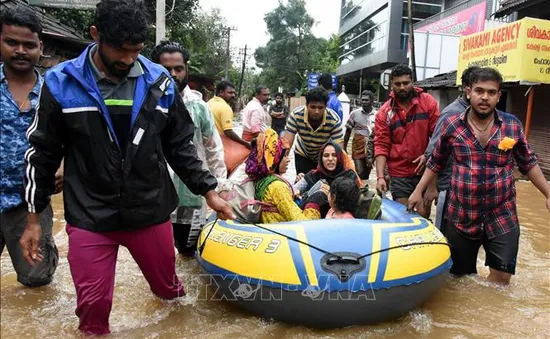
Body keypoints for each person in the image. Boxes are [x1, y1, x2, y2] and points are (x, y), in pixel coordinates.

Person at [19, 0, 235, 335]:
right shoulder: (60, 82)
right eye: (120, 50)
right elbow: (42, 152)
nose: (129, 59)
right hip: (90, 214)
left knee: (170, 295)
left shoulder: (159, 82)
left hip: (149, 210)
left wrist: (209, 191)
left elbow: (180, 146)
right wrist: (33, 219)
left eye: (136, 50)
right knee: (92, 310)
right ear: (95, 35)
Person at [408, 67, 550, 286]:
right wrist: (419, 191)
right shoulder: (451, 124)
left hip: (502, 215)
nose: (485, 97)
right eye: (479, 91)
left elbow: (528, 162)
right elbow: (436, 161)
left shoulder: (512, 125)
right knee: (459, 280)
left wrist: (547, 193)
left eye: (491, 92)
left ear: (499, 96)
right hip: (462, 215)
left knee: (502, 279)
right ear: (468, 92)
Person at [0, 6, 60, 287]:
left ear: (41, 48)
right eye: (12, 42)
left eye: (29, 45)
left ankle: (49, 250)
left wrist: (65, 163)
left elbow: (75, 136)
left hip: (31, 201)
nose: (20, 50)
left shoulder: (55, 91)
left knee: (37, 280)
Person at [151, 40, 227, 256]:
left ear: (187, 70)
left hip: (192, 194)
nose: (172, 74)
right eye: (165, 69)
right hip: (155, 195)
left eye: (178, 68)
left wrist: (219, 187)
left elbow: (213, 150)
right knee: (159, 254)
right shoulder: (144, 105)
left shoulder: (199, 107)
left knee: (188, 252)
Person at [374, 64, 439, 218]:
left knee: (422, 215)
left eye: (406, 83)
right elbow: (381, 145)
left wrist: (427, 156)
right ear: (391, 85)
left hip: (424, 170)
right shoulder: (385, 112)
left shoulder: (428, 103)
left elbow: (438, 137)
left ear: (412, 82)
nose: (402, 87)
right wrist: (380, 177)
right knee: (404, 216)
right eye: (397, 84)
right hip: (399, 173)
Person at [423, 66, 480, 231]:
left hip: (470, 189)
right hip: (448, 187)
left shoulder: (479, 115)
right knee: (446, 234)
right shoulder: (452, 114)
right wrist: (431, 187)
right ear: (466, 89)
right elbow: (432, 152)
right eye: (478, 89)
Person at [245, 129, 323, 224]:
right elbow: (302, 222)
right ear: (275, 159)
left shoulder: (259, 179)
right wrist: (314, 203)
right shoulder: (278, 187)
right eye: (285, 156)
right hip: (281, 232)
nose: (288, 160)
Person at [284, 87, 344, 174]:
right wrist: (279, 167)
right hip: (302, 154)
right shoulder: (296, 116)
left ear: (326, 106)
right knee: (302, 183)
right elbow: (286, 144)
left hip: (324, 156)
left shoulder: (334, 120)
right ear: (306, 105)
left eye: (320, 108)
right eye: (313, 107)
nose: (316, 111)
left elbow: (339, 151)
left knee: (324, 184)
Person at [294, 140, 360, 198]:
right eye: (326, 155)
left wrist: (330, 193)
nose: (330, 159)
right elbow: (293, 190)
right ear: (321, 159)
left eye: (334, 155)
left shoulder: (349, 175)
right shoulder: (313, 175)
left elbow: (353, 199)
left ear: (340, 158)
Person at [344, 90, 377, 180]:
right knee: (359, 172)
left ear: (372, 101)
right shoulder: (355, 114)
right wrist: (344, 148)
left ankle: (363, 191)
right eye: (362, 100)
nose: (364, 102)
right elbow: (348, 132)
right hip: (357, 146)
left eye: (366, 100)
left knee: (367, 173)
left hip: (371, 147)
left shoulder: (377, 115)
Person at [208, 80, 250, 148]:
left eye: (234, 93)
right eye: (230, 93)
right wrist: (245, 143)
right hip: (219, 144)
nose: (233, 95)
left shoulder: (209, 102)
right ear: (221, 92)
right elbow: (228, 132)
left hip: (208, 143)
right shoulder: (225, 108)